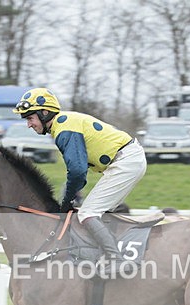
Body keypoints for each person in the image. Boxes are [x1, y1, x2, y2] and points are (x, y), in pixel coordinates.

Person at [13, 87, 147, 277]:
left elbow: (77, 172)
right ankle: (108, 253)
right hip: (128, 159)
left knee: (88, 213)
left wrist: (66, 202)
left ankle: (116, 259)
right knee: (97, 213)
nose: (29, 124)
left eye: (30, 118)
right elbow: (77, 172)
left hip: (126, 161)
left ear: (44, 113)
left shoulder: (63, 128)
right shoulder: (63, 125)